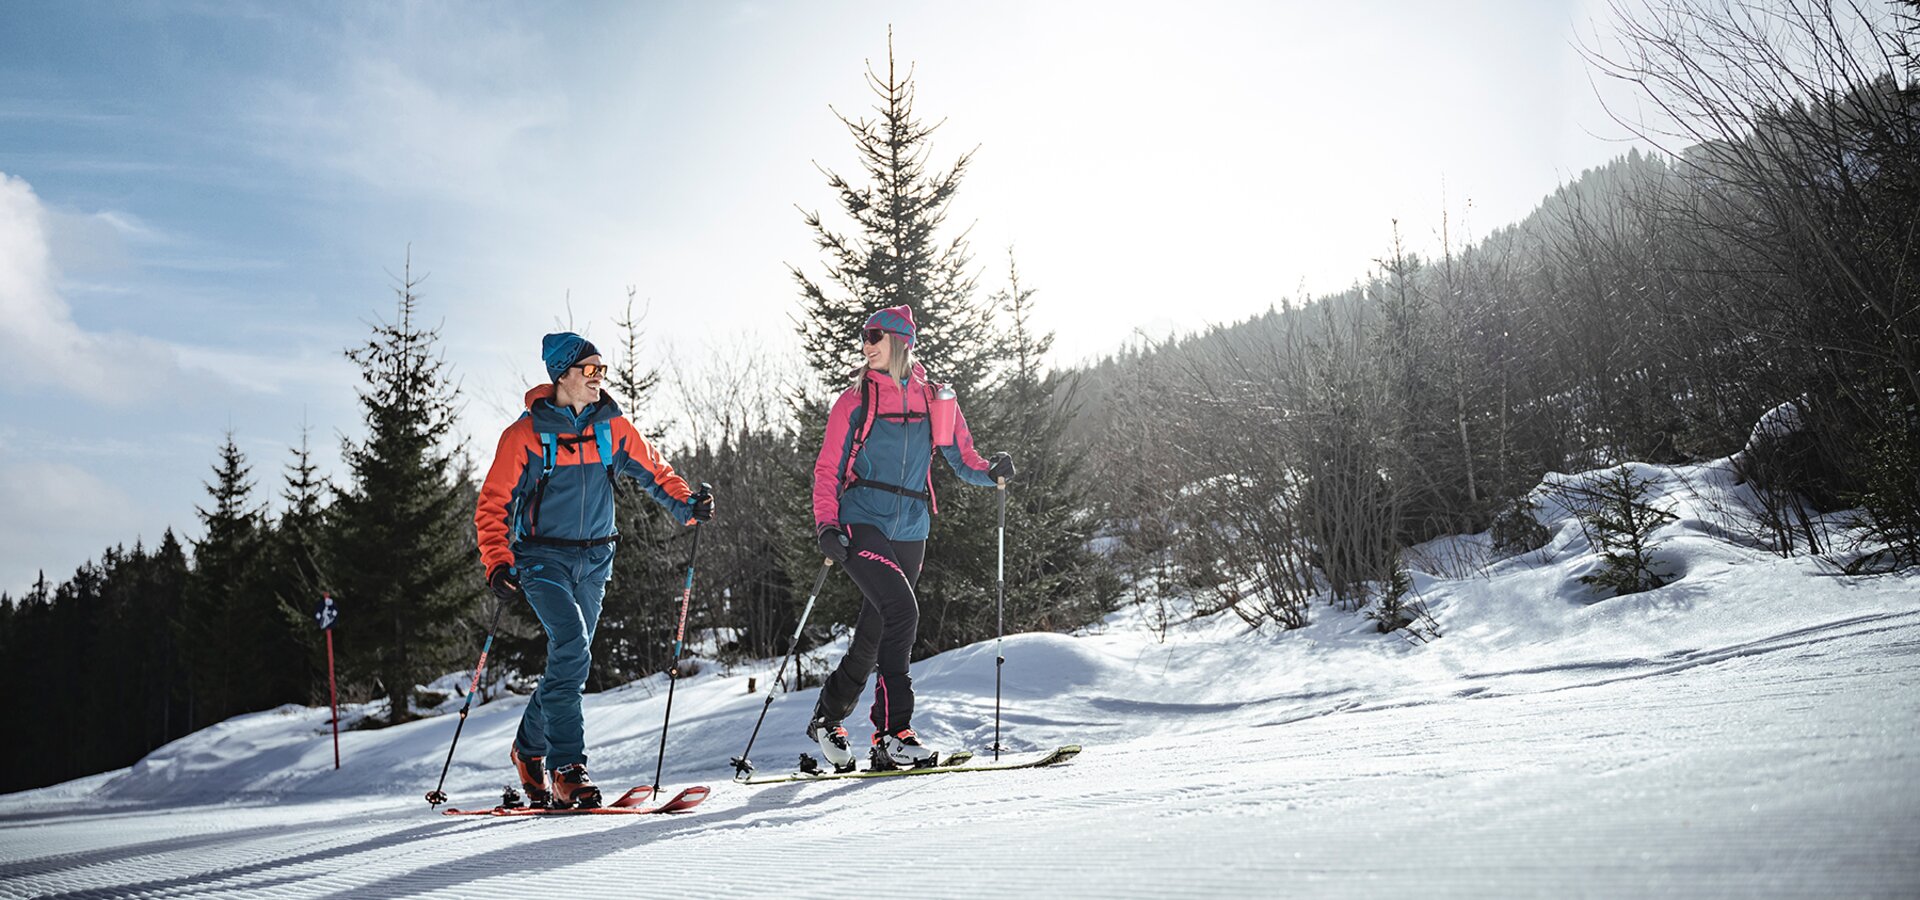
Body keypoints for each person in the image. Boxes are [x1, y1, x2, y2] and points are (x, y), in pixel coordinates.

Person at [475, 332, 713, 809]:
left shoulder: (612, 428)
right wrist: (497, 562)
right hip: (542, 559)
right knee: (572, 648)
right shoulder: (523, 436)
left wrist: (690, 505)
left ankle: (527, 752)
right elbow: (493, 504)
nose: (599, 380)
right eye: (590, 371)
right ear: (561, 375)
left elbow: (655, 473)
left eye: (602, 371)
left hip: (597, 558)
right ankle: (565, 768)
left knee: (569, 658)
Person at [808, 304, 1017, 771]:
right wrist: (826, 524)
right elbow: (828, 469)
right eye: (864, 336)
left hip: (912, 526)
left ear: (900, 341)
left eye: (874, 336)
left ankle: (827, 716)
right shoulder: (856, 400)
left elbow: (963, 459)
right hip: (861, 519)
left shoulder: (934, 399)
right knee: (903, 611)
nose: (866, 345)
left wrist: (992, 471)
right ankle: (893, 731)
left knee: (877, 629)